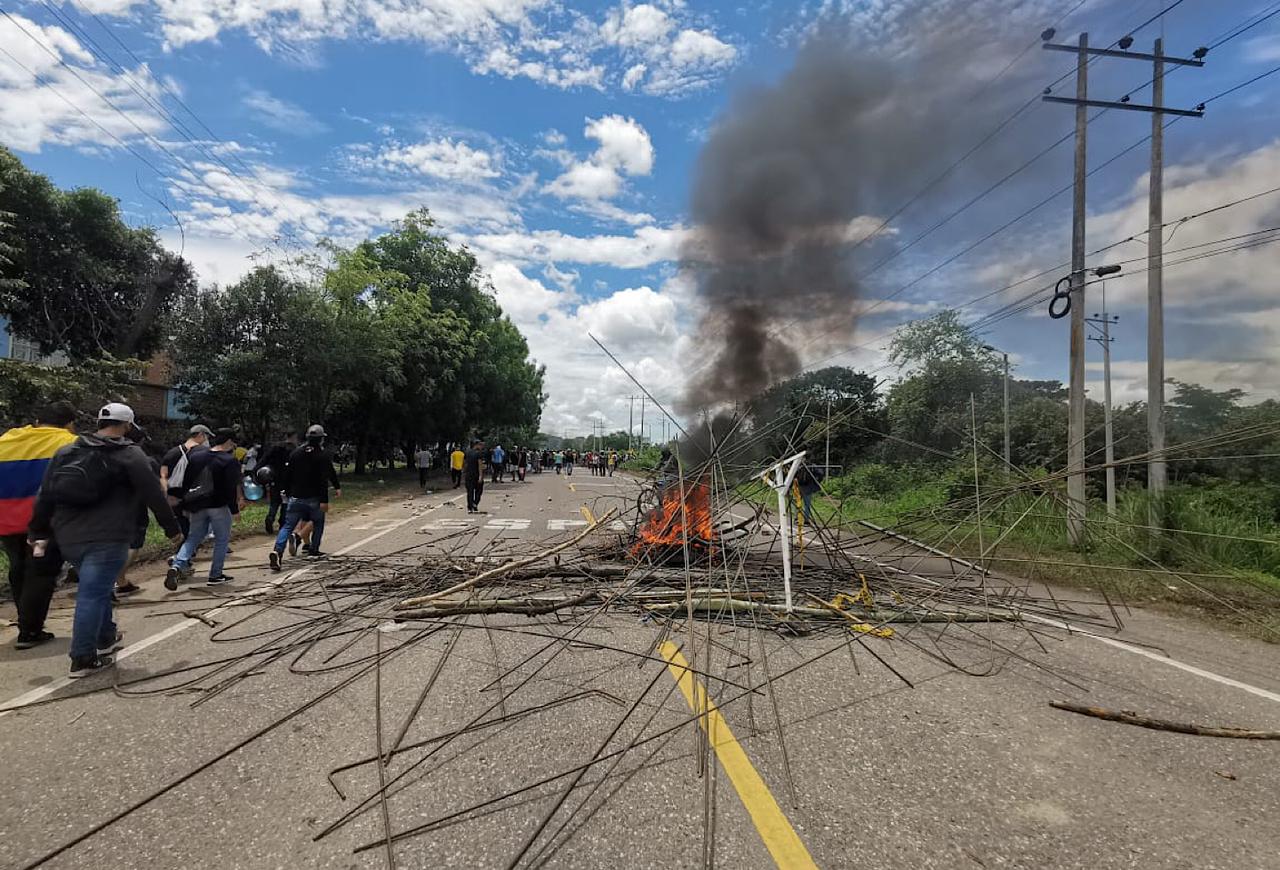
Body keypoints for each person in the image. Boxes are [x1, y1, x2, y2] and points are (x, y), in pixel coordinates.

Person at [28, 403, 182, 677]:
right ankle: (83, 657)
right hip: (108, 535)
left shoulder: (67, 451)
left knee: (96, 587)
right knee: (92, 592)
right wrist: (172, 528)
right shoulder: (129, 454)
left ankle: (105, 636)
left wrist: (38, 531)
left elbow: (45, 493)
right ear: (127, 426)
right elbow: (152, 493)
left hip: (68, 535)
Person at [0, 401, 78, 649]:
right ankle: (30, 630)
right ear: (69, 423)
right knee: (41, 572)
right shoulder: (68, 443)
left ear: (37, 420)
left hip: (7, 519)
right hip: (45, 520)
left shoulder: (7, 439)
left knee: (18, 567)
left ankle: (27, 621)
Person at [165, 428, 242, 589]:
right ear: (229, 441)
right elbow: (230, 488)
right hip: (219, 506)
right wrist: (235, 510)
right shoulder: (229, 460)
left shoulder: (196, 456)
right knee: (221, 540)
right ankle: (215, 575)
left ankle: (178, 565)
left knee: (193, 537)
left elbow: (186, 480)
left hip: (197, 505)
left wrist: (184, 502)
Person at [269, 424, 341, 571]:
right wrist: (327, 498)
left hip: (296, 497)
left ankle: (277, 550)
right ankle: (313, 549)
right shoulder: (322, 455)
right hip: (314, 498)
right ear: (321, 439)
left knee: (288, 526)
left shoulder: (296, 453)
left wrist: (287, 492)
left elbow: (288, 475)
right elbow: (326, 477)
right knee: (318, 522)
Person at [160, 424, 212, 542]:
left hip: (175, 495)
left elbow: (163, 475)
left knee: (184, 524)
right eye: (207, 437)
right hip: (195, 495)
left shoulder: (172, 452)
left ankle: (184, 552)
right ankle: (183, 555)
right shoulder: (204, 452)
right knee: (198, 526)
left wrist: (166, 495)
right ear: (201, 435)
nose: (207, 440)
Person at [258, 431, 297, 534]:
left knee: (274, 502)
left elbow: (263, 460)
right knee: (285, 502)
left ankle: (270, 517)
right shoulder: (294, 450)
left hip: (274, 479)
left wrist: (257, 472)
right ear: (293, 437)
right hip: (288, 481)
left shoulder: (275, 448)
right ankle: (282, 522)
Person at [464, 439, 486, 513]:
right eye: (480, 445)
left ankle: (470, 507)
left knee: (470, 491)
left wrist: (464, 472)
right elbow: (480, 465)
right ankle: (475, 503)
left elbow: (465, 464)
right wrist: (480, 476)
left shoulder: (467, 452)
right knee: (478, 491)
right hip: (476, 475)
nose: (481, 446)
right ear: (476, 445)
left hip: (468, 474)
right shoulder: (479, 454)